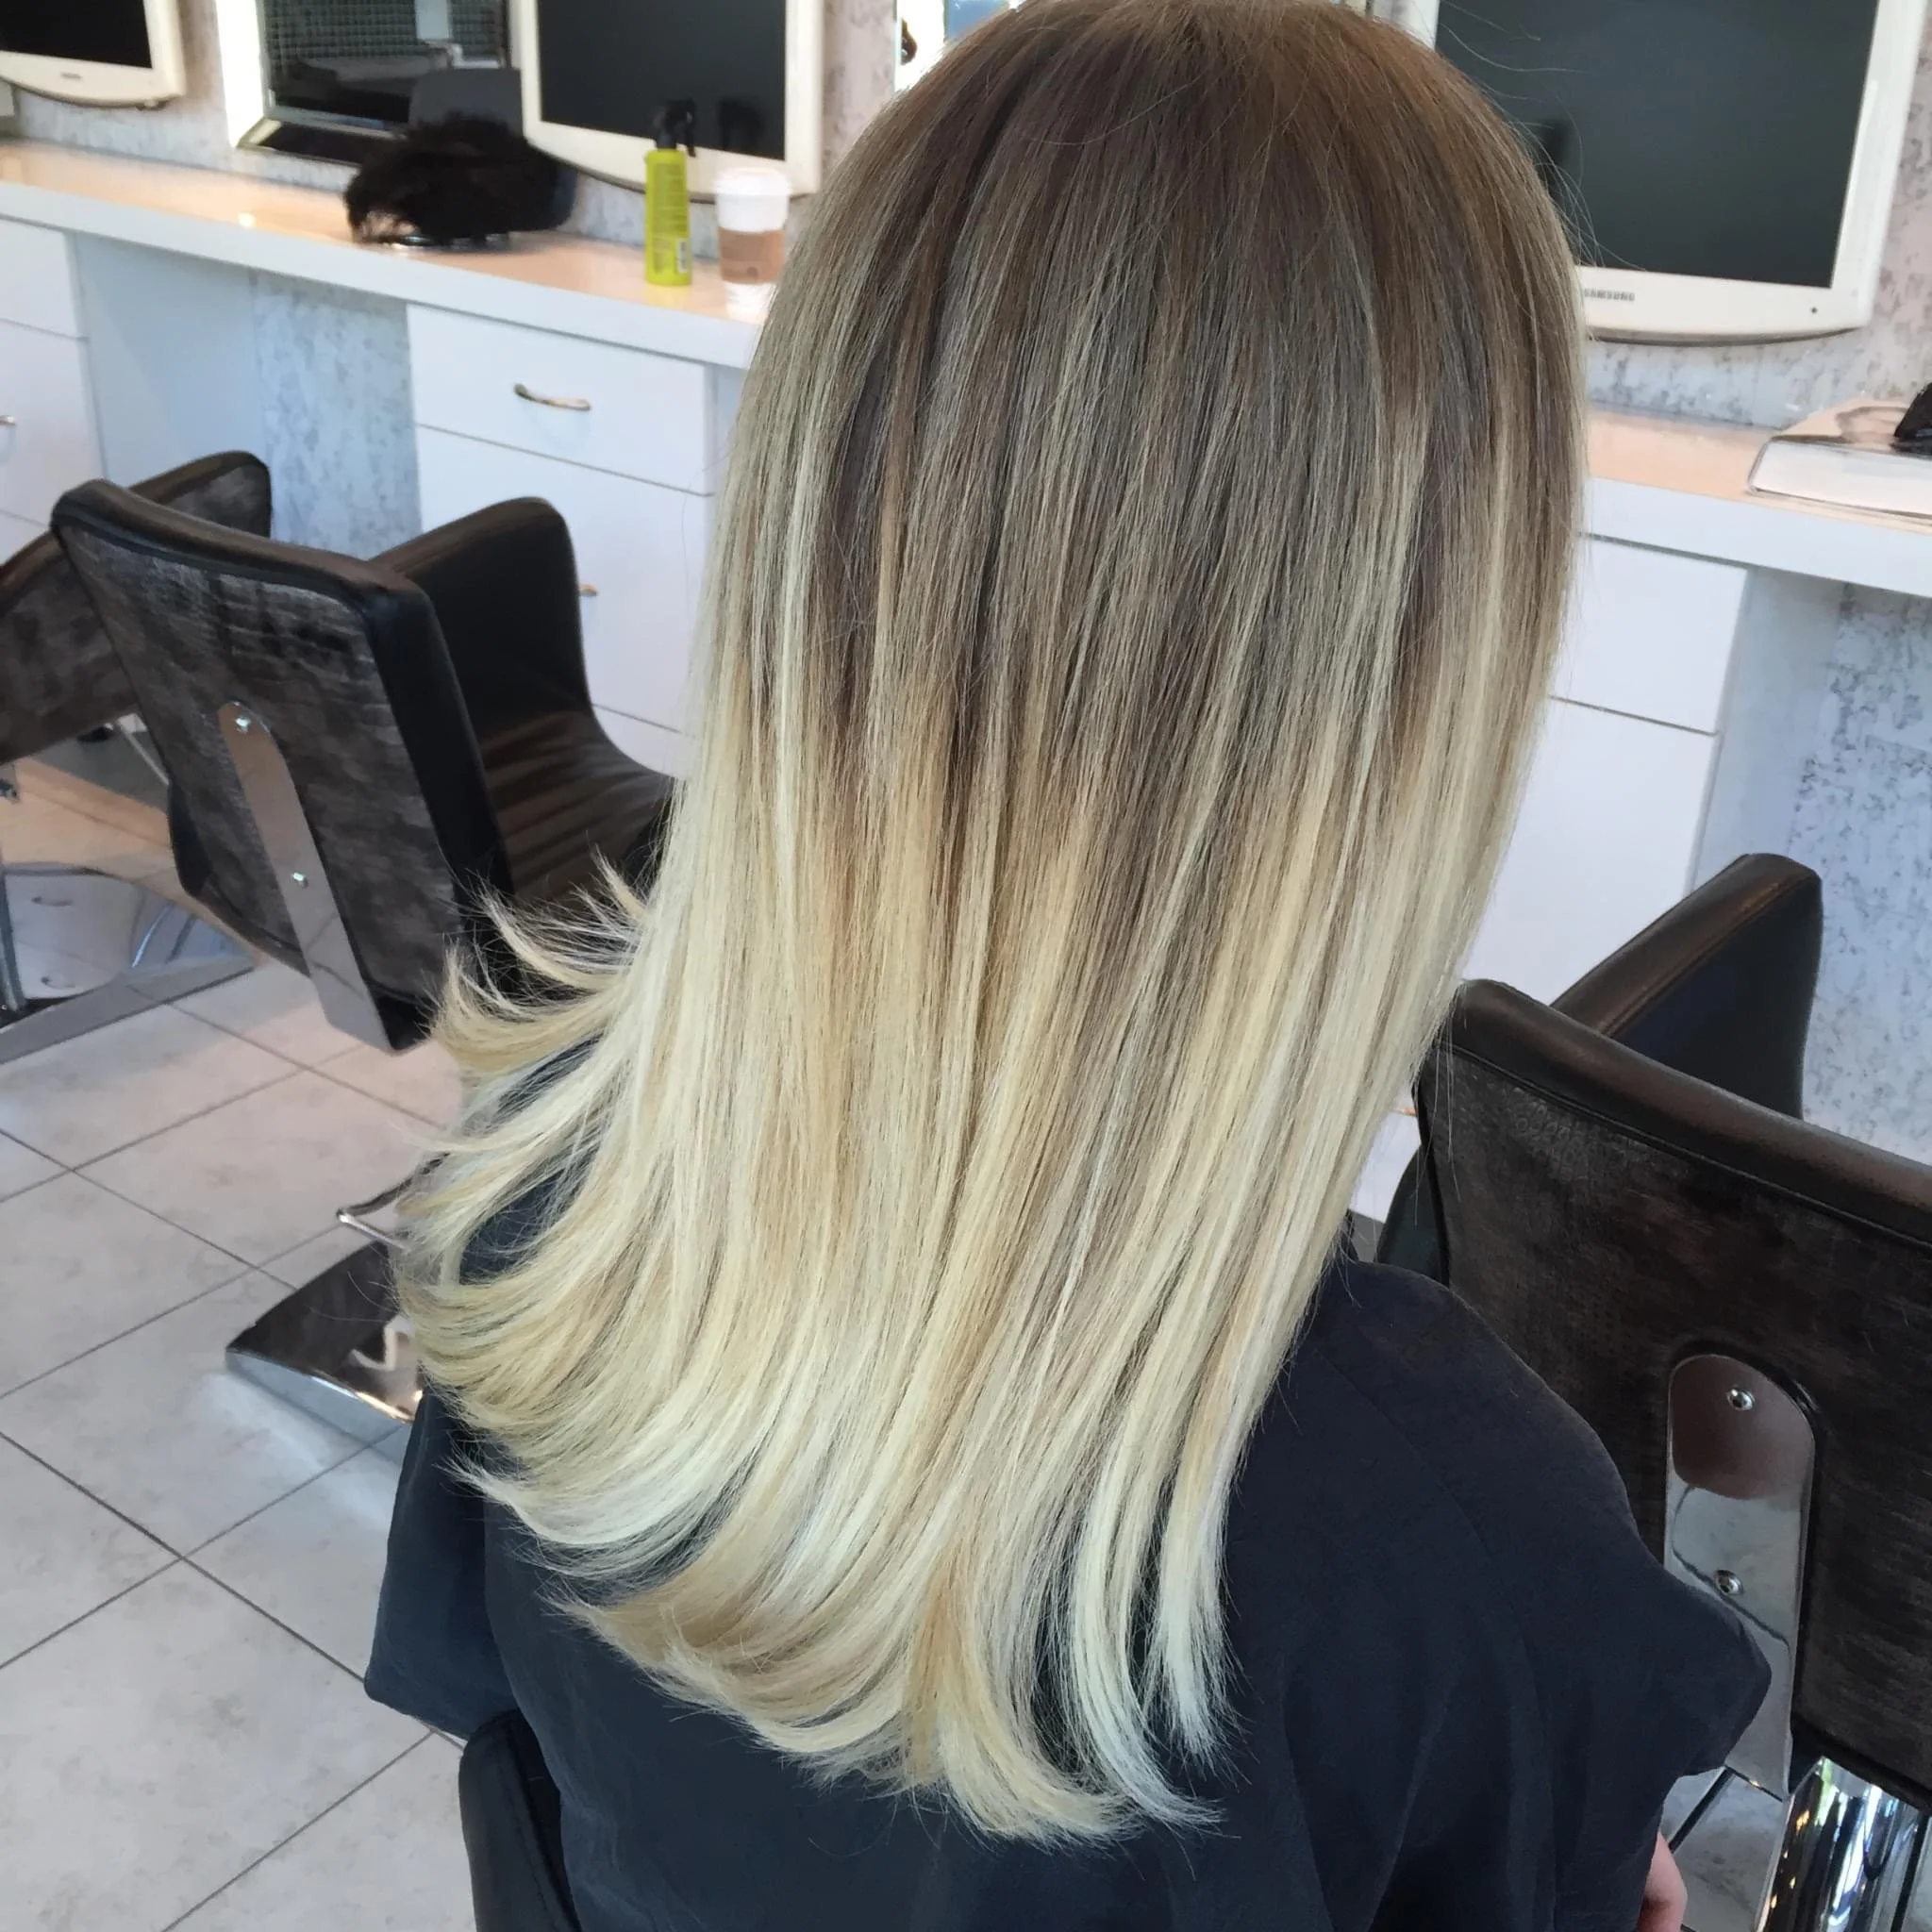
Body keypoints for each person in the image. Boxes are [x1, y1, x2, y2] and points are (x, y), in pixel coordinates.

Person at [368, 2, 1767, 1925]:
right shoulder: (1451, 1537)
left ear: (819, 535)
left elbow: (514, 1759)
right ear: (1420, 685)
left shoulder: (542, 1198)